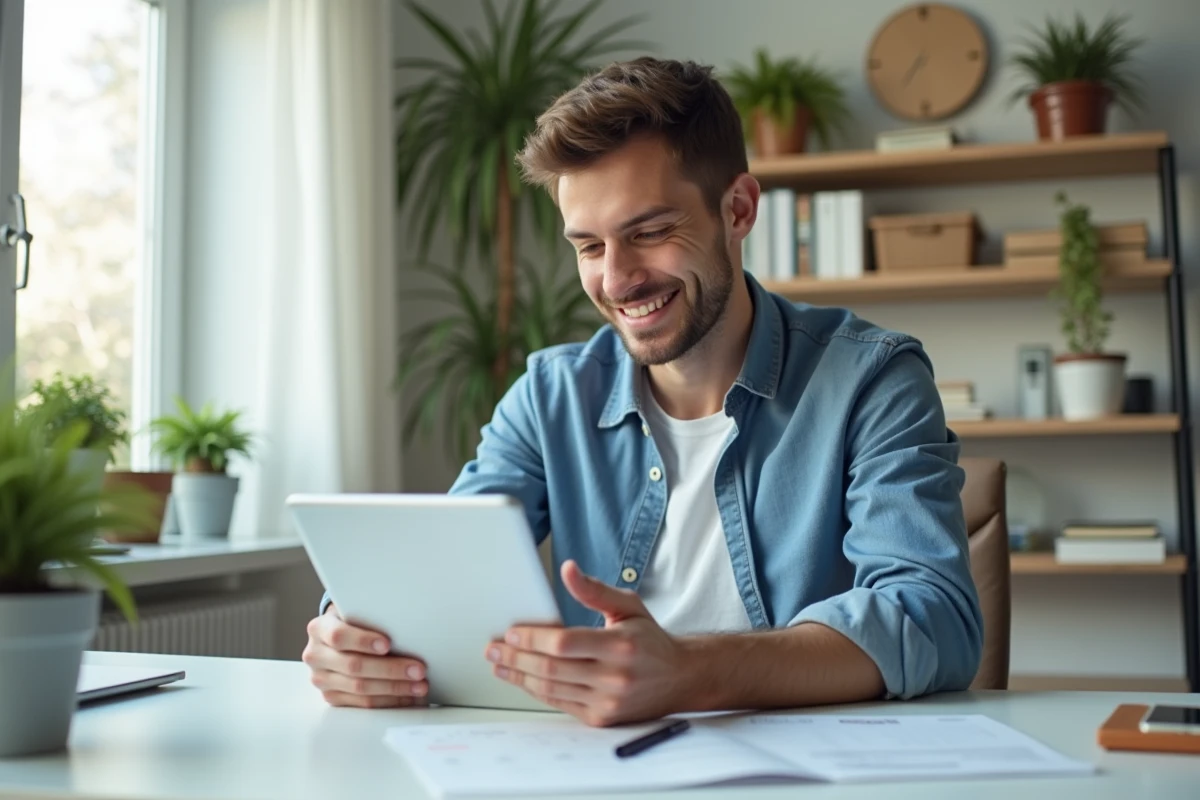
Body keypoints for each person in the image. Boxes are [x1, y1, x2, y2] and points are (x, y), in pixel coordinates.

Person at [302, 57, 983, 727]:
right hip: (599, 766)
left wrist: (691, 672)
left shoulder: (871, 380)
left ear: (738, 209)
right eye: (589, 247)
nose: (618, 278)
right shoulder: (551, 396)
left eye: (650, 233)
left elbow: (934, 619)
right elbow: (436, 568)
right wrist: (350, 634)